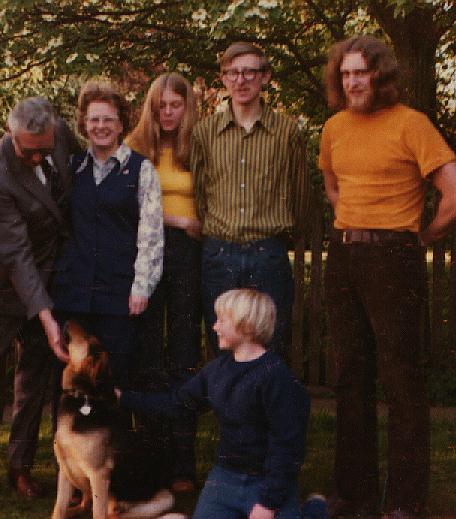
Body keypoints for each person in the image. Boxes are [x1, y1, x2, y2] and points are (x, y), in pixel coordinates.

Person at [319, 35, 456, 518]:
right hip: (344, 258)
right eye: (344, 75)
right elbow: (332, 185)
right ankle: (354, 495)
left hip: (395, 258)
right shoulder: (333, 127)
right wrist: (354, 221)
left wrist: (420, 239)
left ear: (380, 75)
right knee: (349, 379)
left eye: (360, 73)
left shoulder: (413, 125)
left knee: (401, 381)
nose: (351, 82)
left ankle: (405, 501)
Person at [0, 97, 81, 499]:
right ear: (11, 135)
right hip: (6, 281)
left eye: (45, 148)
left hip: (52, 274)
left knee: (35, 376)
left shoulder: (58, 137)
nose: (39, 157)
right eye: (30, 151)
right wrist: (45, 315)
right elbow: (17, 253)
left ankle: (19, 465)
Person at [117, 289, 327, 519]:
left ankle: (313, 510)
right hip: (225, 478)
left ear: (245, 325)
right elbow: (177, 404)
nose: (214, 326)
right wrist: (124, 398)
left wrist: (268, 503)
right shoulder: (216, 371)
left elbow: (288, 446)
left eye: (221, 321)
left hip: (266, 480)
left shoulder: (276, 377)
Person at [191, 41, 314, 356]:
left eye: (249, 72)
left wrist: (283, 235)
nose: (241, 80)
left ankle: (268, 407)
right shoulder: (205, 133)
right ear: (223, 78)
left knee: (270, 345)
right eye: (232, 73)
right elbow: (200, 192)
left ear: (265, 77)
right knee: (223, 346)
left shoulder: (287, 133)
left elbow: (300, 194)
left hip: (267, 253)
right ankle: (228, 407)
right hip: (219, 253)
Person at [51, 80, 163, 386]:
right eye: (94, 119)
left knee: (117, 382)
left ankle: (121, 437)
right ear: (84, 124)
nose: (100, 126)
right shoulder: (72, 168)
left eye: (108, 119)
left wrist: (142, 286)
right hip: (75, 295)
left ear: (121, 123)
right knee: (71, 385)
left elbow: (151, 235)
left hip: (120, 296)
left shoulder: (141, 170)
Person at [125, 72, 201, 493]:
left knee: (185, 354)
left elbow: (213, 205)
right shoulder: (137, 148)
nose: (168, 113)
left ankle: (183, 462)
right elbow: (128, 209)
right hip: (149, 253)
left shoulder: (200, 147)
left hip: (190, 257)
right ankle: (153, 456)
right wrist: (178, 219)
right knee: (149, 355)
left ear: (187, 107)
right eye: (161, 106)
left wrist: (196, 223)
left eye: (175, 105)